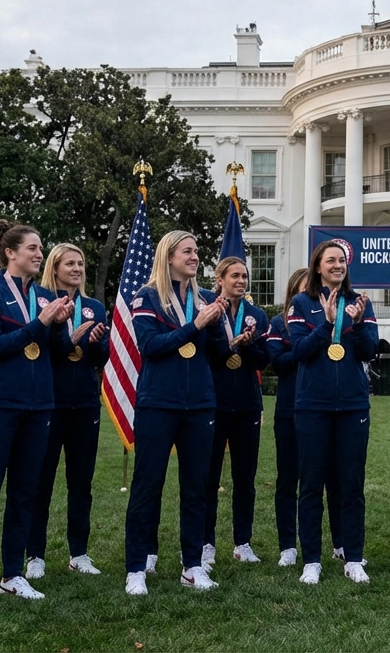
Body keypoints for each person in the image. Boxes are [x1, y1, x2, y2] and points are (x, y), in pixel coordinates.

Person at [0, 220, 74, 607]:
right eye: (32, 248)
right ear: (10, 253)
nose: (39, 254)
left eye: (40, 248)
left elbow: (55, 351)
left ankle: (13, 574)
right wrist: (40, 323)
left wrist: (58, 326)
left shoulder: (44, 296)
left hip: (37, 405)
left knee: (25, 493)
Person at [122, 231, 227, 596]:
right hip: (158, 403)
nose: (196, 257)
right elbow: (150, 346)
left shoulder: (206, 298)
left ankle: (192, 566)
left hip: (199, 404)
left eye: (197, 251)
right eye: (188, 251)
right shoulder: (147, 297)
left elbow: (218, 352)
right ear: (169, 257)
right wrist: (196, 324)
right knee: (147, 486)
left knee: (196, 487)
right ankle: (136, 567)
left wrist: (216, 323)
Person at [286, 240, 379, 585]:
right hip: (313, 405)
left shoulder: (360, 303)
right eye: (331, 260)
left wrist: (353, 325)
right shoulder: (301, 303)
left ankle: (353, 557)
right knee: (311, 485)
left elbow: (370, 351)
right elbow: (299, 352)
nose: (338, 265)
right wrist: (326, 325)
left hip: (353, 405)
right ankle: (311, 559)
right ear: (318, 266)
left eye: (342, 260)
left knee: (351, 486)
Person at [25, 243, 109, 579]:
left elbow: (101, 360)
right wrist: (68, 339)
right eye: (69, 263)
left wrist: (95, 343)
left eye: (81, 263)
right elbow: (39, 349)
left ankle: (80, 553)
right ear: (55, 268)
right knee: (40, 481)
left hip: (85, 402)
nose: (77, 268)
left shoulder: (94, 307)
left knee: (81, 482)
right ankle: (35, 555)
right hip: (49, 402)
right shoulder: (42, 303)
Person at [266, 269, 346, 568]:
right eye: (304, 290)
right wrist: (309, 348)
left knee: (332, 478)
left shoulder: (332, 320)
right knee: (289, 480)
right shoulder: (279, 324)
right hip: (289, 409)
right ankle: (288, 545)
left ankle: (339, 542)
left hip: (323, 407)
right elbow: (280, 361)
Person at [203, 257, 271, 568]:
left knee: (245, 477)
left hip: (246, 404)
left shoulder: (256, 315)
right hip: (214, 401)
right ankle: (205, 543)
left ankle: (242, 542)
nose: (241, 281)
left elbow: (262, 362)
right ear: (219, 279)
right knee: (208, 476)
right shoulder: (210, 311)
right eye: (234, 276)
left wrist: (250, 343)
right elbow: (208, 354)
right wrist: (231, 344)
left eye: (244, 276)